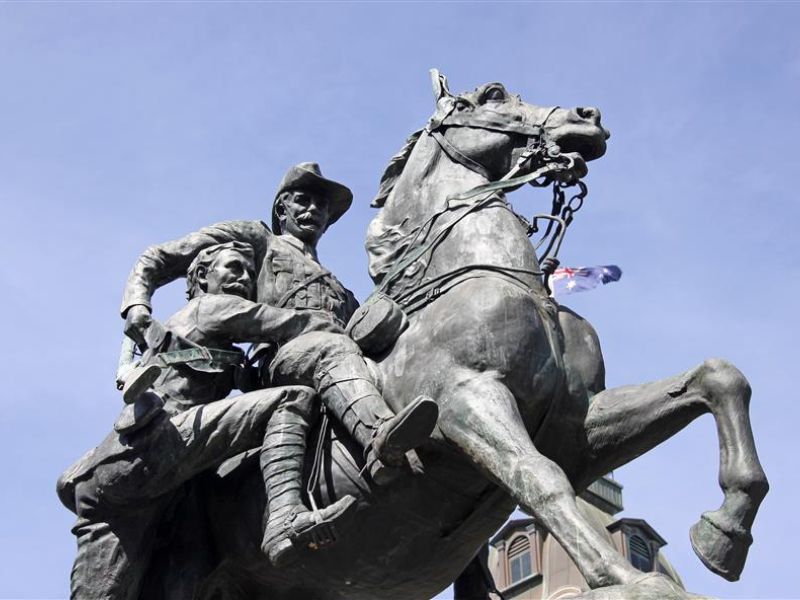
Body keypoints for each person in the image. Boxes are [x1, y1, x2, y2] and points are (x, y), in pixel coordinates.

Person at [118, 163, 438, 561]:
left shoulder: (341, 287)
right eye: (302, 201)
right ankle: (379, 439)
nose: (312, 211)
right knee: (328, 348)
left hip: (342, 362)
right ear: (281, 209)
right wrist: (137, 303)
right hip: (281, 360)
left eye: (321, 206)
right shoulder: (258, 241)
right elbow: (159, 257)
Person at [58, 241, 358, 600]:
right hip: (144, 453)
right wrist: (345, 327)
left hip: (163, 484)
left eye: (249, 274)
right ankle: (283, 518)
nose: (244, 279)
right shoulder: (207, 309)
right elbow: (286, 323)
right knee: (292, 399)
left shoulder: (221, 348)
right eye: (233, 268)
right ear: (202, 275)